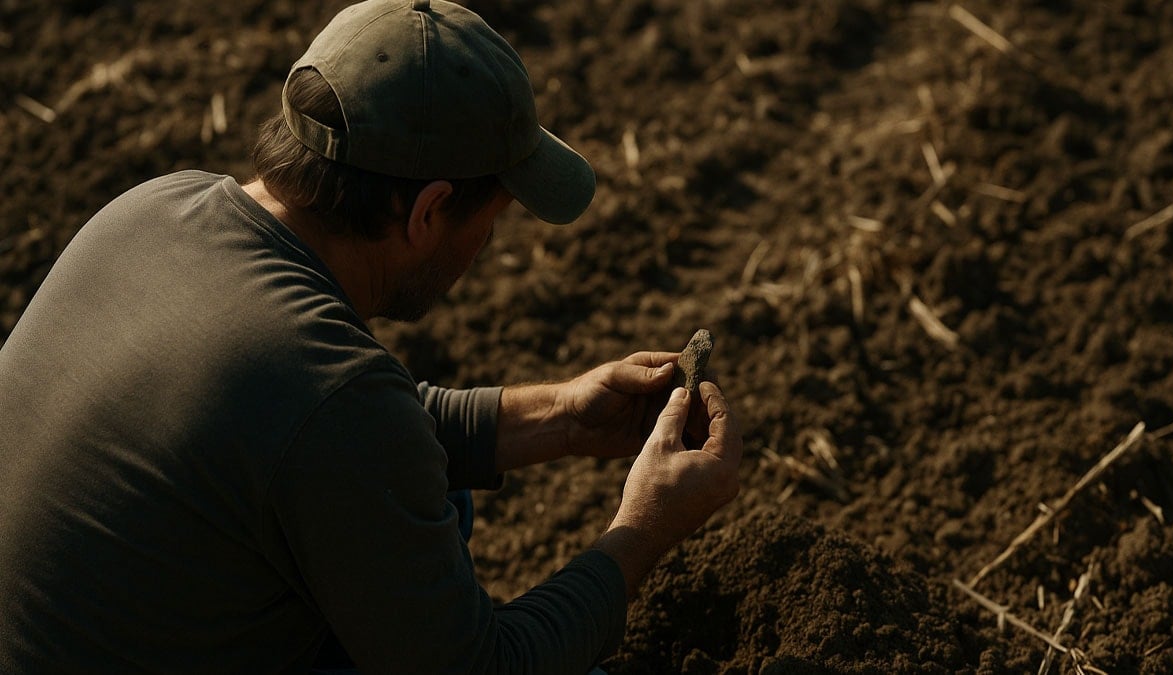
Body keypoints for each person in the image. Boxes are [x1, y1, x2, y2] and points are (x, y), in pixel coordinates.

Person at [0, 1, 742, 673]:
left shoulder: (156, 206)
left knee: (434, 498)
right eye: (490, 223)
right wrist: (643, 527)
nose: (485, 248)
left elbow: (324, 433)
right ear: (428, 212)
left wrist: (565, 417)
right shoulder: (326, 388)